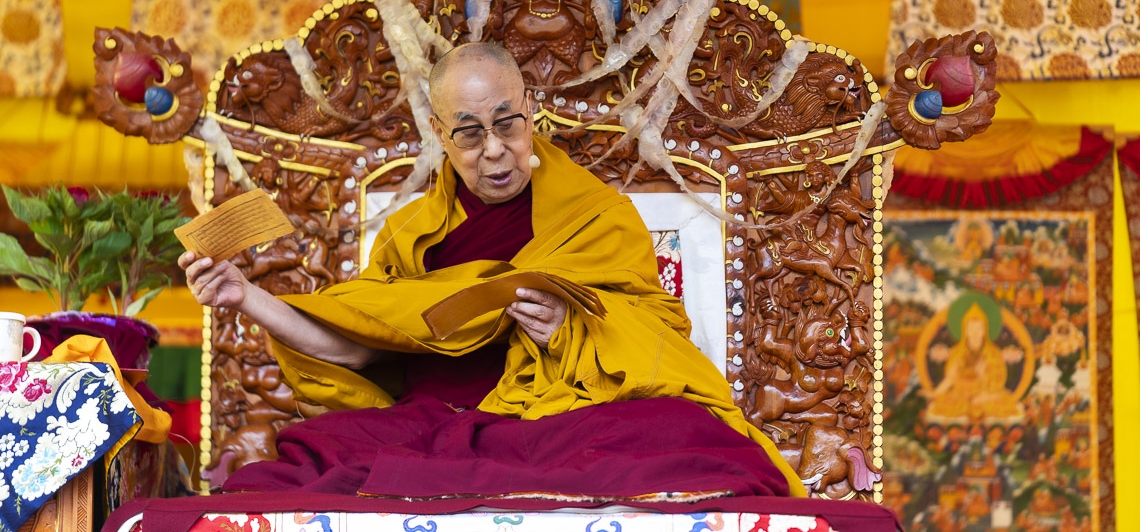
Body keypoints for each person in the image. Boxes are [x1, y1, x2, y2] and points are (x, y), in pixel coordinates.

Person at [180, 42, 805, 500]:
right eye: (470, 135)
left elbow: (660, 336)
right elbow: (354, 347)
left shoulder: (597, 216)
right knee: (292, 466)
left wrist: (572, 329)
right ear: (438, 133)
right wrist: (245, 296)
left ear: (530, 110)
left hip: (561, 422)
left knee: (685, 431)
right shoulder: (409, 236)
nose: (496, 151)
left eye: (508, 125)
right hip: (435, 428)